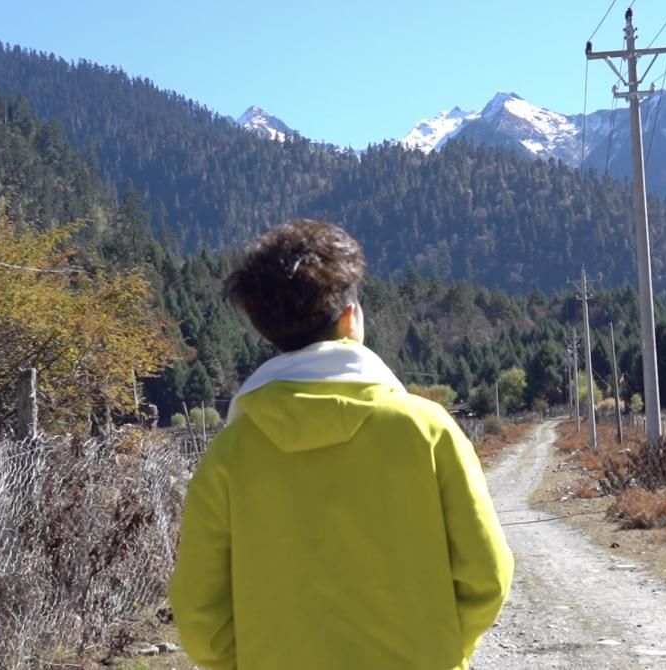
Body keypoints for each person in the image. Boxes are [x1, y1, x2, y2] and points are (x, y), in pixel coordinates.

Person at [169, 219, 513, 670]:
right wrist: (440, 648)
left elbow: (199, 614)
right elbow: (488, 576)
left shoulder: (228, 455)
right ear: (351, 319)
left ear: (266, 330)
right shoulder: (426, 430)